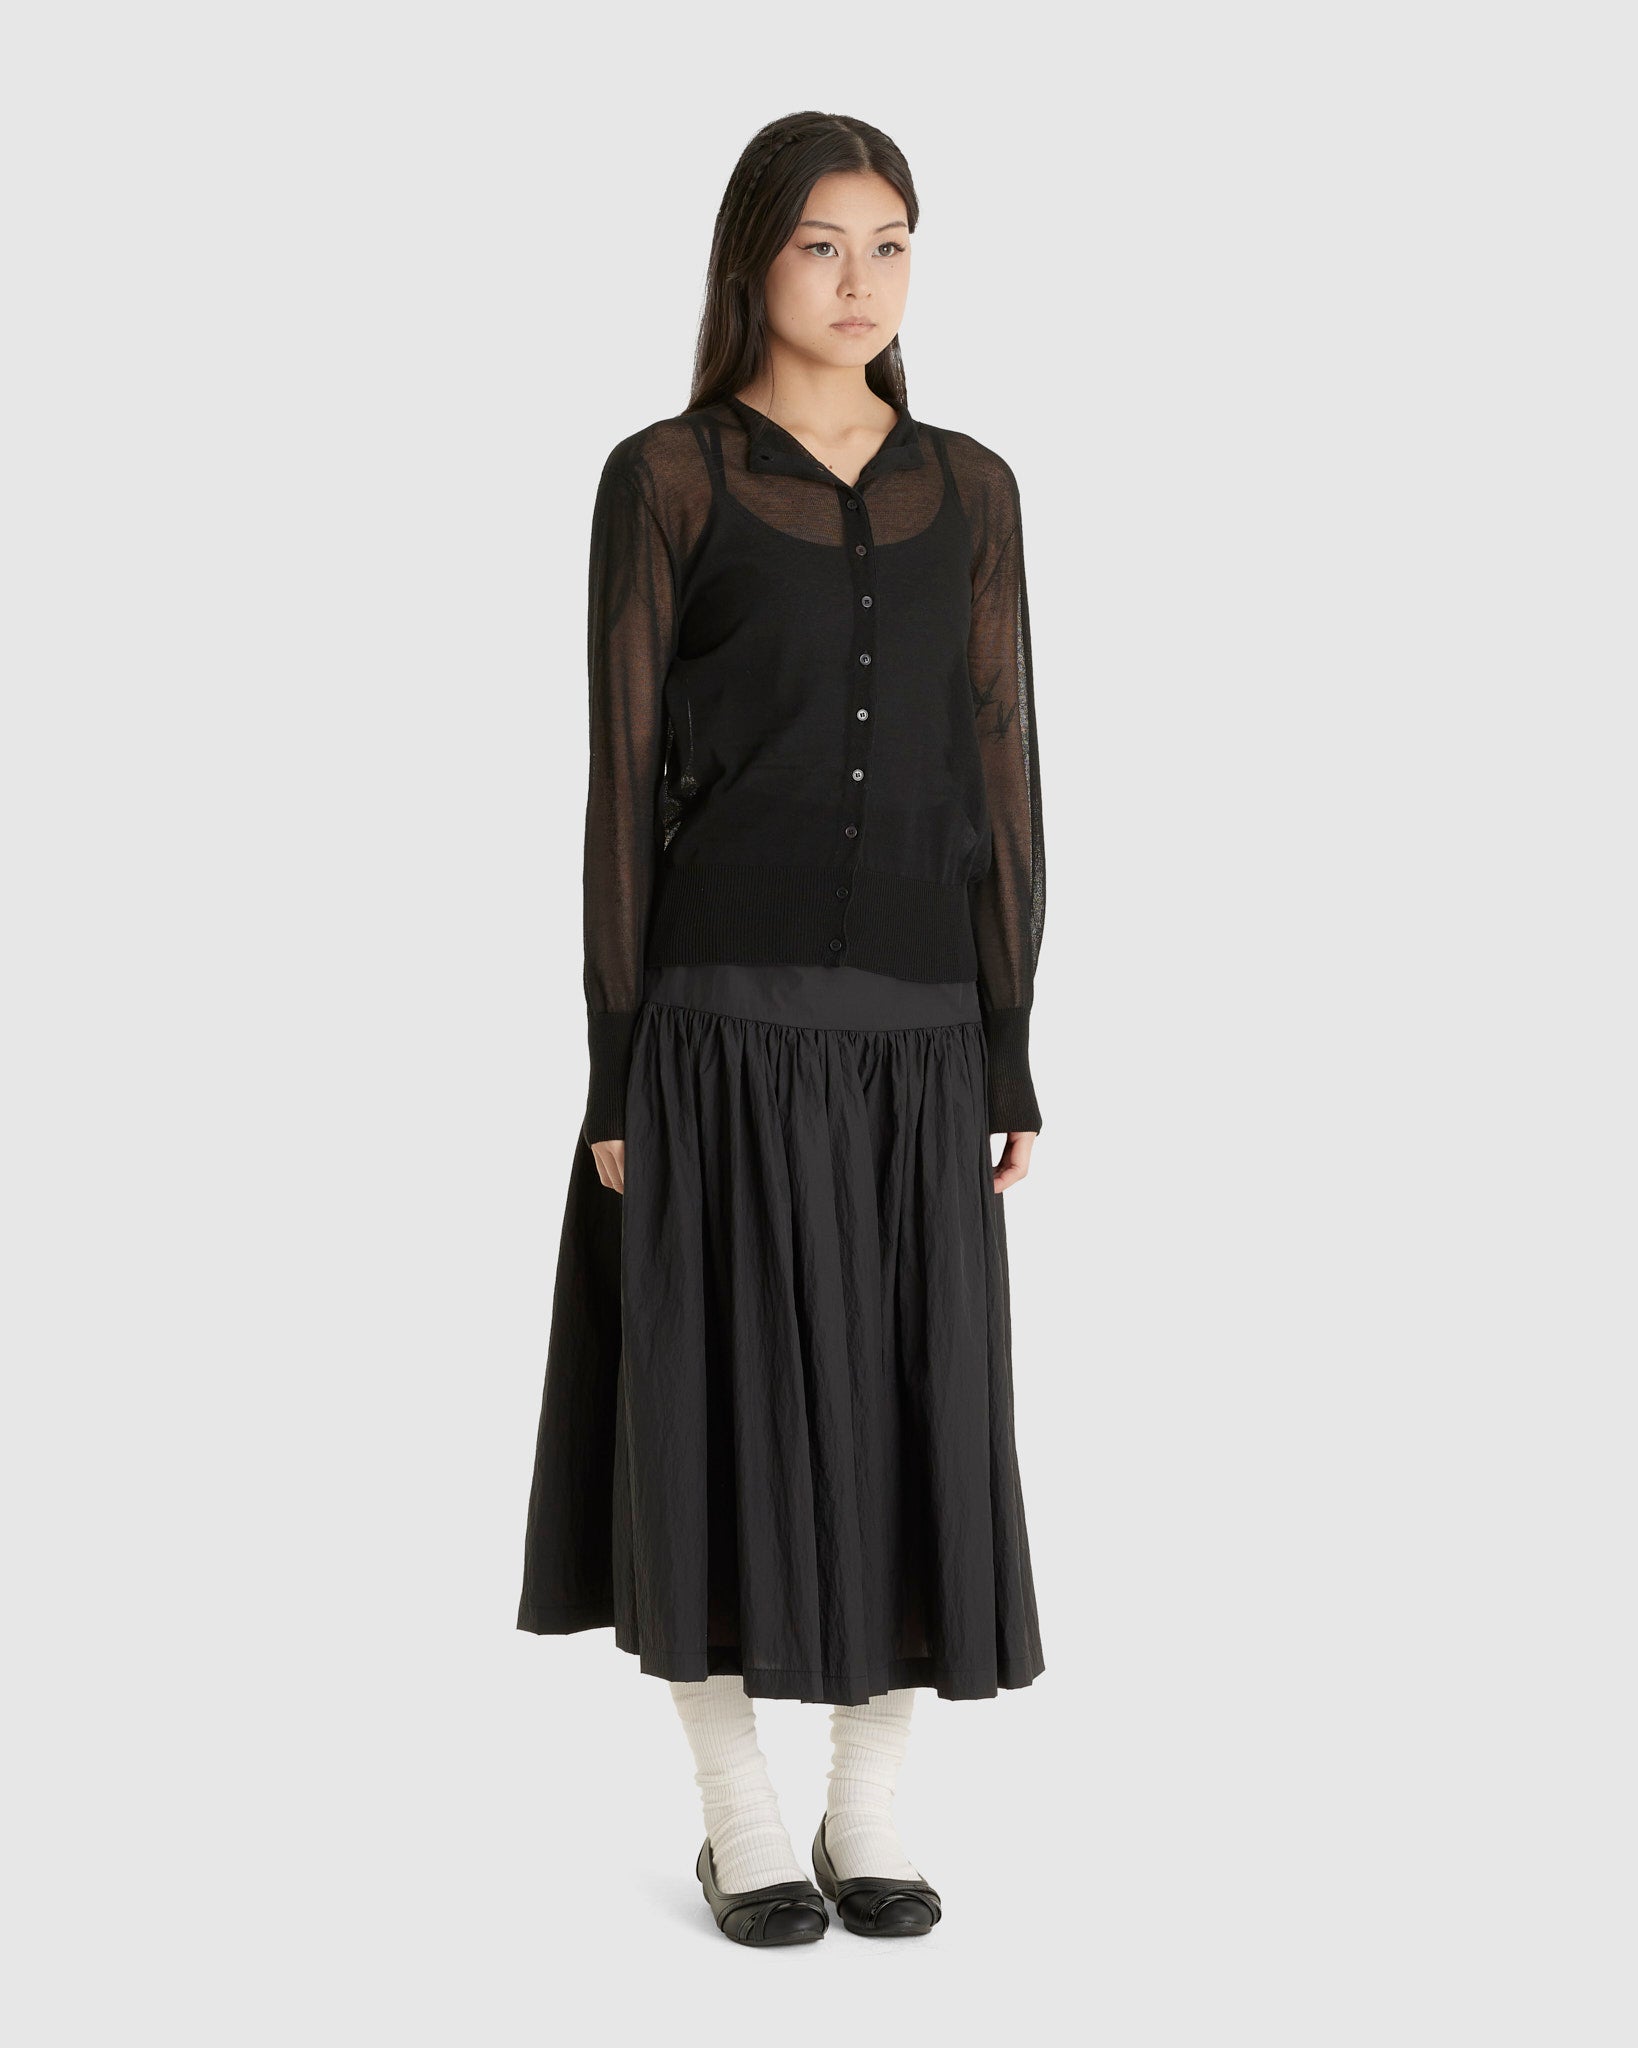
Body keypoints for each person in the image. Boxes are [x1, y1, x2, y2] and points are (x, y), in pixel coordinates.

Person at [516, 109, 1048, 1947]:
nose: (859, 280)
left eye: (889, 243)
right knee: (710, 1415)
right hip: (714, 1028)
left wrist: (1006, 1035)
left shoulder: (971, 488)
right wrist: (613, 1063)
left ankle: (867, 1809)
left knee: (917, 1412)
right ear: (752, 256)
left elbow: (1001, 764)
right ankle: (737, 1817)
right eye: (823, 243)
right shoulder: (666, 476)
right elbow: (619, 779)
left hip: (919, 1032)